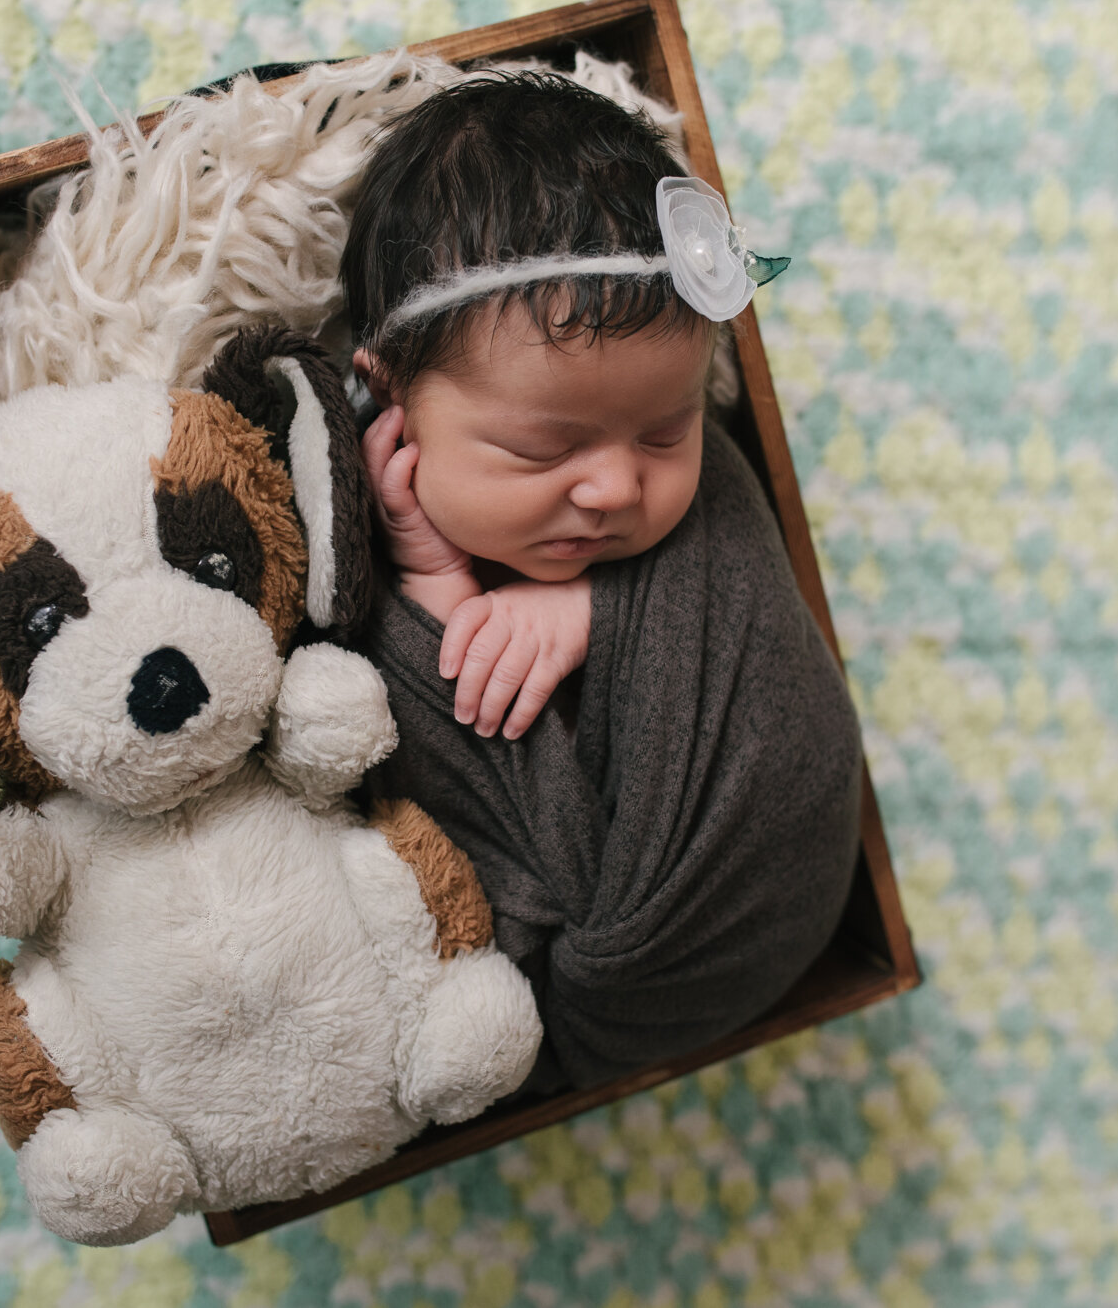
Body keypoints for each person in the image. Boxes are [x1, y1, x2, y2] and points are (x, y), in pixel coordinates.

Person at [342, 69, 864, 1093]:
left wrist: (602, 610)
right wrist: (432, 588)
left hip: (748, 910)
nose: (618, 486)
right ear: (386, 393)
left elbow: (743, 618)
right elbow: (427, 799)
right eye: (543, 451)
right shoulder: (348, 536)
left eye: (664, 428)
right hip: (528, 1003)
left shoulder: (691, 515)